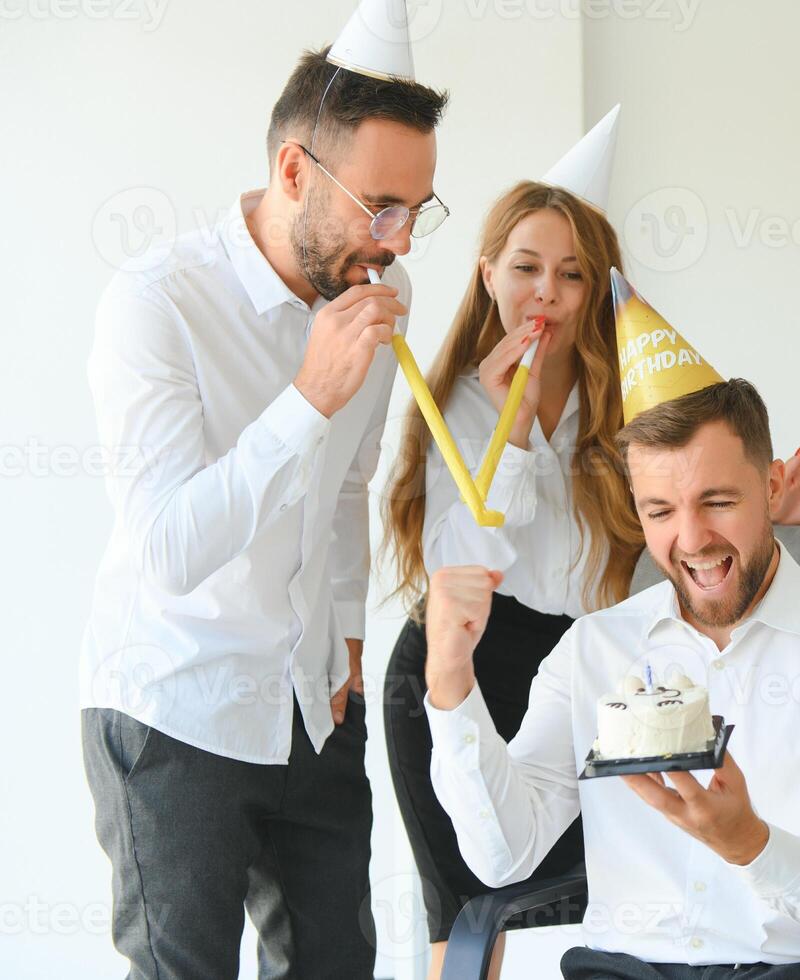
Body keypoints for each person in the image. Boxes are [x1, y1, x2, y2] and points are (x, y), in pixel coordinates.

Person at [380, 167, 800, 977]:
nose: (547, 292)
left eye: (572, 273)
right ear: (487, 275)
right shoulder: (457, 403)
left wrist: (772, 506)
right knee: (466, 906)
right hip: (464, 655)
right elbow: (463, 564)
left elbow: (677, 517)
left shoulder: (621, 403)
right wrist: (506, 427)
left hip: (585, 663)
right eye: (526, 267)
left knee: (618, 879)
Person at [79, 16, 451, 977]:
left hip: (312, 701)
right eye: (379, 207)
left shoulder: (378, 285)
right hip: (176, 703)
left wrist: (345, 626)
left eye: (416, 208)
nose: (399, 241)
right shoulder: (156, 303)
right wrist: (306, 399)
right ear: (294, 173)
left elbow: (348, 485)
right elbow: (167, 548)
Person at [423, 378, 800, 978]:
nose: (691, 540)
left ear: (771, 487)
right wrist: (450, 677)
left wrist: (753, 845)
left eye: (718, 502)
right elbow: (503, 856)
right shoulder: (593, 648)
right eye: (660, 511)